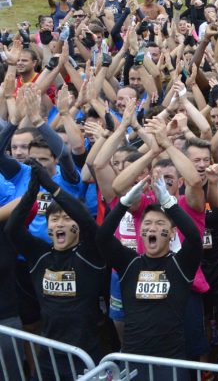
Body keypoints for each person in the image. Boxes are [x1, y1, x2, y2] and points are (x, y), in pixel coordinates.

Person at [5, 163, 105, 380]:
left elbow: (88, 223)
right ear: (48, 226)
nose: (60, 223)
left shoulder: (89, 254)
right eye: (55, 219)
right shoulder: (40, 255)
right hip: (49, 355)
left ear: (77, 225)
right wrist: (32, 192)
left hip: (85, 356)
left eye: (67, 218)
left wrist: (51, 186)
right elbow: (12, 229)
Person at [97, 177, 202, 381]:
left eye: (159, 223)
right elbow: (102, 237)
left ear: (172, 234)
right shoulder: (129, 263)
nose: (152, 228)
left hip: (170, 362)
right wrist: (124, 203)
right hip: (133, 361)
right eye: (148, 223)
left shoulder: (181, 265)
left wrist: (168, 203)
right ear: (140, 231)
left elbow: (194, 237)